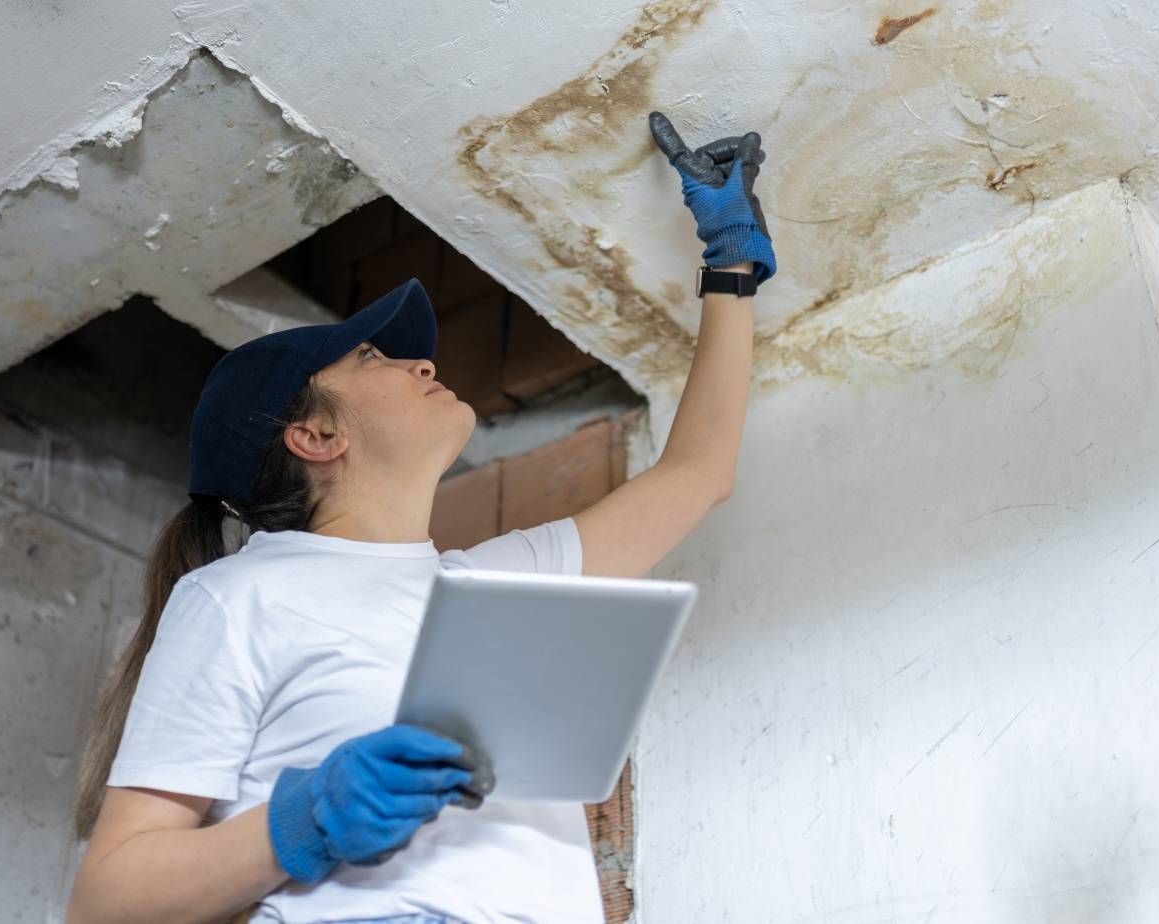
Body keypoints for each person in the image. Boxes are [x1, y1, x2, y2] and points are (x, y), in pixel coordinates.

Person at [65, 110, 777, 924]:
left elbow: (698, 473)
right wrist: (306, 821)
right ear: (316, 435)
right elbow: (105, 903)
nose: (426, 361)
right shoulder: (237, 595)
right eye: (374, 357)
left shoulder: (496, 588)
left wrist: (730, 264)